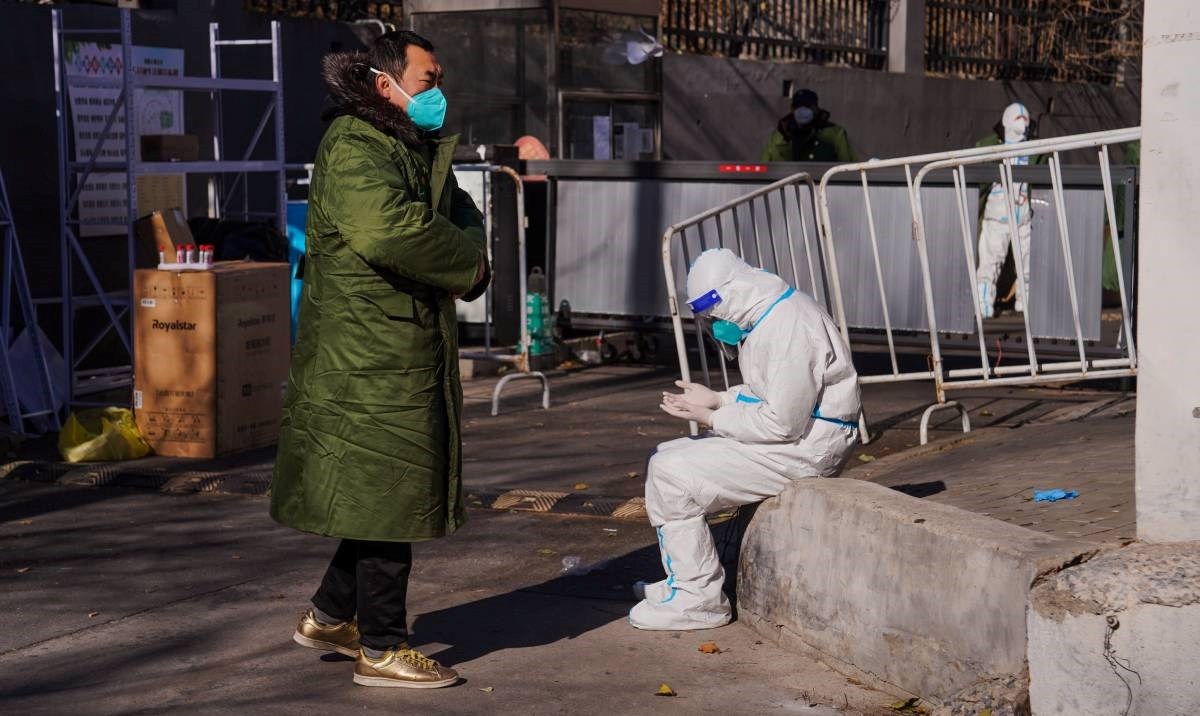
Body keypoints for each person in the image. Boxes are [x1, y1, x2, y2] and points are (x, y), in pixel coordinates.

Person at [270, 30, 489, 688]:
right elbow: (390, 228)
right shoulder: (357, 143)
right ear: (383, 84)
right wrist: (469, 263)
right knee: (391, 489)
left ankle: (332, 615)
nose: (438, 94)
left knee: (378, 494)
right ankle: (382, 647)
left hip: (392, 345)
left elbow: (462, 210)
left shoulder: (403, 141)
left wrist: (469, 252)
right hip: (368, 353)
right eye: (427, 81)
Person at [629, 249, 861, 631]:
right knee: (666, 455)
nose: (713, 321)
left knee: (669, 472)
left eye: (711, 310)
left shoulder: (787, 326)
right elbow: (767, 395)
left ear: (732, 294)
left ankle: (698, 598)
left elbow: (781, 423)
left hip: (808, 449)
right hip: (801, 438)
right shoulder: (771, 316)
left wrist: (713, 417)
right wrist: (719, 398)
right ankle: (683, 582)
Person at [975, 102, 1038, 318]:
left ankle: (1026, 306)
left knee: (1028, 265)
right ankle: (982, 306)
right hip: (997, 217)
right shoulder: (990, 147)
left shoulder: (1036, 151)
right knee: (989, 263)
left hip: (1024, 218)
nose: (1021, 132)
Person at [761, 89, 856, 163]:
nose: (802, 110)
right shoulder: (780, 135)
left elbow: (848, 167)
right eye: (797, 106)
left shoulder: (835, 134)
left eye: (807, 106)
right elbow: (764, 165)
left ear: (816, 109)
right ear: (792, 109)